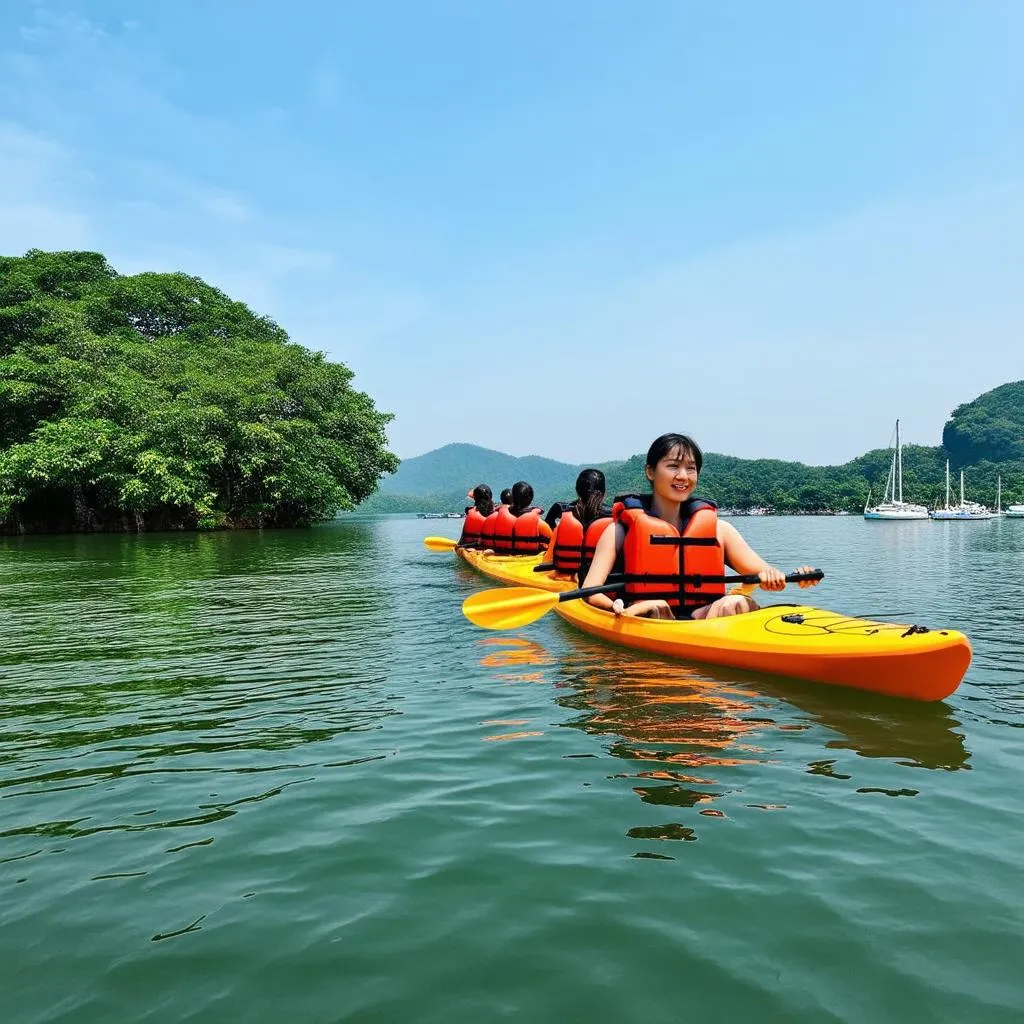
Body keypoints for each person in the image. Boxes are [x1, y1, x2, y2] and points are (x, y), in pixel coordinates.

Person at [582, 433, 819, 620]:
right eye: (673, 466)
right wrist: (614, 605)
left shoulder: (720, 530)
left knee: (737, 603)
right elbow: (591, 591)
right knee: (653, 608)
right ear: (650, 471)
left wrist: (788, 577)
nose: (683, 476)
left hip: (704, 618)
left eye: (691, 468)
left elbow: (760, 573)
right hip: (647, 616)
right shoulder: (619, 531)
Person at [545, 469, 613, 582]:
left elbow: (547, 561)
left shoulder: (564, 521)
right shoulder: (614, 522)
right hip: (601, 585)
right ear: (604, 493)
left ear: (577, 491)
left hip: (565, 581)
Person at [487, 480, 551, 555]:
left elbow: (486, 538)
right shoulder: (538, 523)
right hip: (528, 560)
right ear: (530, 499)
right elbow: (551, 542)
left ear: (513, 498)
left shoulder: (496, 518)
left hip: (500, 558)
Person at [458, 484, 495, 548]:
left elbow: (462, 539)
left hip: (468, 546)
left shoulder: (470, 513)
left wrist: (458, 546)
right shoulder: (494, 514)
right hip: (486, 548)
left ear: (475, 498)